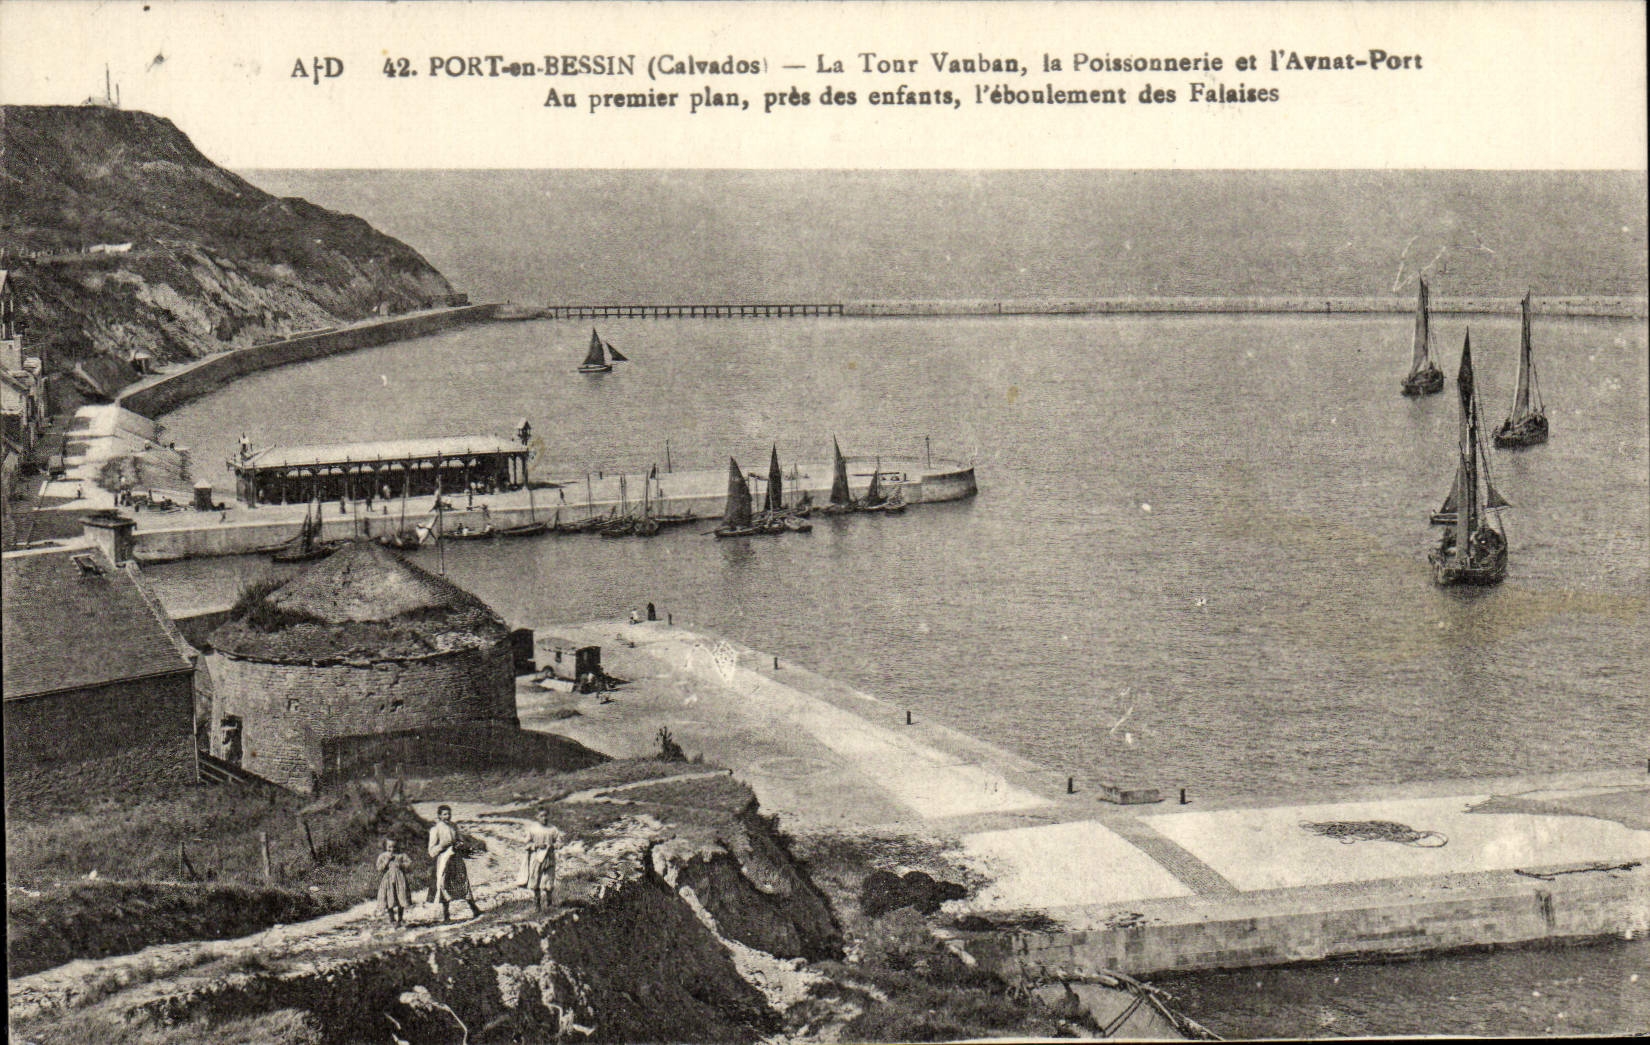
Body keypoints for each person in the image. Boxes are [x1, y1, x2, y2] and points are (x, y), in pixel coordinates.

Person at [426, 805, 482, 922]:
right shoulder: (435, 829)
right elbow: (431, 851)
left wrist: (460, 844)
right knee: (444, 883)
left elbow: (460, 839)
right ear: (439, 816)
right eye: (445, 814)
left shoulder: (454, 826)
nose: (447, 816)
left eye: (449, 814)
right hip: (444, 859)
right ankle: (446, 915)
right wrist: (441, 846)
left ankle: (474, 908)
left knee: (463, 880)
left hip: (456, 858)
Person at [518, 808, 565, 911]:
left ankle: (549, 903)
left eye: (545, 815)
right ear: (537, 817)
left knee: (549, 882)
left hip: (549, 857)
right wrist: (536, 845)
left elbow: (559, 843)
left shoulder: (553, 829)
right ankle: (537, 905)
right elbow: (526, 844)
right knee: (535, 881)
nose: (544, 818)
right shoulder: (533, 829)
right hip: (536, 858)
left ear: (548, 816)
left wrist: (552, 845)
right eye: (541, 816)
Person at [376, 837, 413, 926]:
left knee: (401, 897)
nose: (392, 849)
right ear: (385, 847)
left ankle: (400, 919)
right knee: (389, 897)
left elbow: (409, 865)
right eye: (389, 847)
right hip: (388, 880)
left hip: (400, 879)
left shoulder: (401, 855)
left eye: (394, 847)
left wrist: (401, 864)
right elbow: (379, 868)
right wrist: (386, 861)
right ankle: (392, 918)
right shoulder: (383, 856)